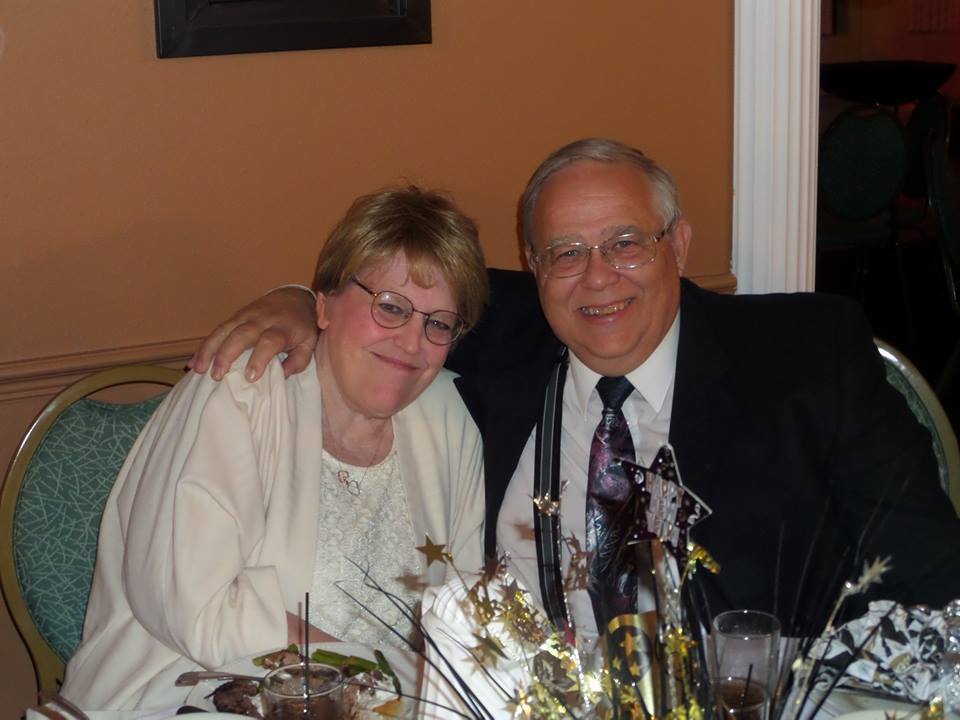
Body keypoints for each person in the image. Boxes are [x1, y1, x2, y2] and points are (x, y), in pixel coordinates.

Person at [190, 138, 960, 640]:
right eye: (565, 253)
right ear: (533, 266)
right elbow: (381, 297)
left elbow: (933, 581)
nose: (598, 277)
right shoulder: (502, 335)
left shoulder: (805, 353)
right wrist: (299, 303)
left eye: (627, 242)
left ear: (678, 244)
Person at [61, 186, 489, 711]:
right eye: (390, 307)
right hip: (190, 691)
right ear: (324, 305)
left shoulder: (446, 415)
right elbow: (195, 609)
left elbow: (464, 612)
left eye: (437, 322)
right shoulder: (245, 387)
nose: (411, 342)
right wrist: (381, 682)